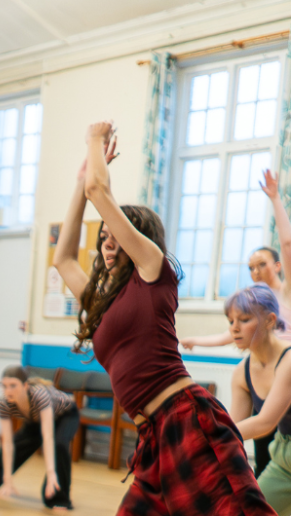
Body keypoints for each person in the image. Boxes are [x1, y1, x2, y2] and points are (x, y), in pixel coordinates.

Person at [53, 121, 275, 515]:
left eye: (115, 238)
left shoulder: (154, 273)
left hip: (187, 419)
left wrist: (93, 140)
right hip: (152, 436)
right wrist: (80, 182)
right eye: (103, 239)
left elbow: (99, 192)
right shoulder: (102, 302)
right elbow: (63, 258)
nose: (107, 247)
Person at [181, 171, 291, 476]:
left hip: (286, 369)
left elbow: (287, 242)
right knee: (267, 452)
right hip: (265, 370)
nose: (256, 271)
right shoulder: (250, 306)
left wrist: (275, 198)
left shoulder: (286, 293)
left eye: (262, 264)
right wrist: (195, 341)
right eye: (251, 267)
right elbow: (233, 333)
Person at [0, 365, 78, 510]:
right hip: (35, 420)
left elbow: (47, 438)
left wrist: (51, 473)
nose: (8, 391)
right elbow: (8, 444)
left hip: (66, 416)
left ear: (25, 386)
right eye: (4, 386)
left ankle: (59, 499)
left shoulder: (40, 396)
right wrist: (7, 480)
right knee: (17, 445)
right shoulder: (4, 404)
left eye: (13, 386)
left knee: (59, 445)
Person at [228, 284, 291, 513]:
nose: (234, 329)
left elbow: (264, 423)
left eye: (244, 319)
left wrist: (213, 434)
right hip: (284, 462)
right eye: (231, 321)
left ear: (270, 320)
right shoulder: (241, 373)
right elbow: (233, 431)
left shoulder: (289, 360)